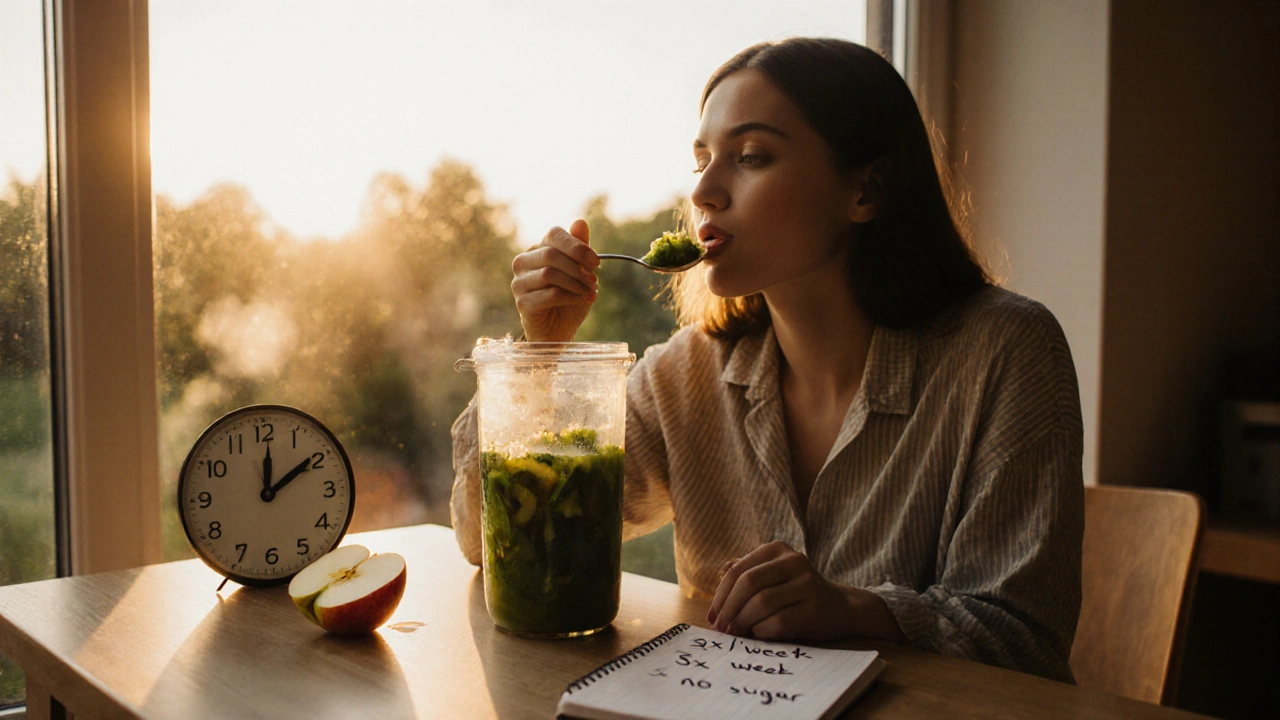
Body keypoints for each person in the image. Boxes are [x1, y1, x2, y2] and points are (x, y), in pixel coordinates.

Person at [451, 37, 1084, 683]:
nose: (703, 192)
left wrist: (856, 610)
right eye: (701, 160)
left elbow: (1023, 644)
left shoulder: (1005, 351)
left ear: (865, 191)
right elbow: (484, 540)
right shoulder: (684, 375)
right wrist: (541, 350)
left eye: (751, 156)